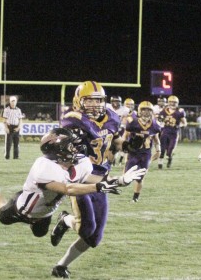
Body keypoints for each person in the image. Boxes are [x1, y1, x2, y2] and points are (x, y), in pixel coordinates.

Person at [52, 81, 146, 278]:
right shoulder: (73, 120)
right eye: (90, 101)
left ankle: (60, 266)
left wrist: (128, 146)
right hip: (82, 180)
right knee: (86, 228)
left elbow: (115, 141)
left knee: (94, 239)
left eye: (99, 101)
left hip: (102, 177)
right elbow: (69, 160)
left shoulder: (111, 117)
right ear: (79, 101)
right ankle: (65, 219)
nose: (95, 106)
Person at [0, 128, 124, 238]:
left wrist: (119, 180)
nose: (75, 148)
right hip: (22, 210)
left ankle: (63, 220)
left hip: (45, 213)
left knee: (39, 233)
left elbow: (92, 178)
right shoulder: (44, 166)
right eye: (71, 145)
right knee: (2, 213)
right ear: (59, 149)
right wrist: (98, 187)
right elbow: (67, 189)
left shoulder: (79, 162)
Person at [122, 101, 161, 202]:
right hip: (133, 152)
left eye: (148, 110)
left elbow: (156, 138)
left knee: (140, 177)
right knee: (127, 179)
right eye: (144, 110)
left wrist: (158, 149)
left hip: (146, 153)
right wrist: (123, 146)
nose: (146, 112)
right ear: (139, 111)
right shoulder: (132, 122)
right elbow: (125, 135)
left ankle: (135, 197)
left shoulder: (155, 124)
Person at [157, 95, 187, 168]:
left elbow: (185, 123)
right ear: (168, 102)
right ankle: (160, 162)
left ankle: (170, 158)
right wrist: (161, 123)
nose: (172, 104)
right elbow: (159, 120)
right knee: (162, 148)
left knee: (170, 149)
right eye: (171, 102)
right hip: (165, 132)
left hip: (174, 133)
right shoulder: (164, 111)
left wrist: (179, 126)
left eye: (174, 102)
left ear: (177, 103)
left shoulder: (180, 111)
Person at [3, 95, 23, 159]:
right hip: (10, 127)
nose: (13, 103)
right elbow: (4, 120)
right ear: (10, 102)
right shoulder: (6, 109)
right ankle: (7, 156)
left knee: (16, 144)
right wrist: (6, 128)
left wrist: (19, 127)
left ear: (16, 102)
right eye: (12, 101)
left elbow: (20, 119)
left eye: (14, 101)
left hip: (16, 127)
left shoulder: (18, 110)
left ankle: (16, 156)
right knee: (8, 143)